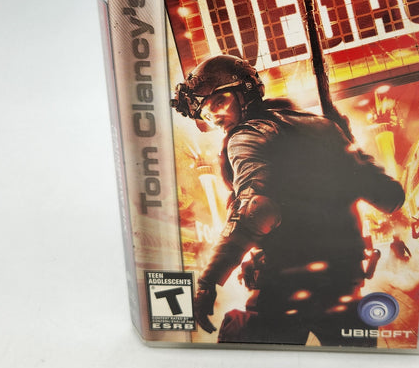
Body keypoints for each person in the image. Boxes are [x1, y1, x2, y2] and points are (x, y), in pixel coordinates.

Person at [172, 55, 405, 347]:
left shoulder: (247, 135)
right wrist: (347, 145)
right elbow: (390, 197)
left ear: (245, 92)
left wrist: (208, 281)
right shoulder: (322, 127)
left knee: (244, 358)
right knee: (357, 365)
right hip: (343, 286)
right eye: (206, 111)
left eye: (219, 101)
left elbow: (255, 209)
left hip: (285, 288)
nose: (214, 116)